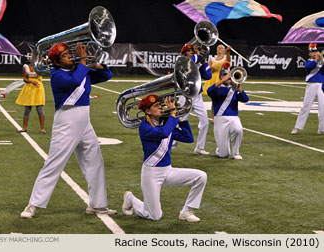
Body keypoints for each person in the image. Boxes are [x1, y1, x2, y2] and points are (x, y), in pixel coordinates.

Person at [20, 42, 116, 218]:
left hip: (85, 120)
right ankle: (33, 204)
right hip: (67, 120)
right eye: (65, 55)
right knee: (54, 163)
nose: (70, 56)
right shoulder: (56, 74)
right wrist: (83, 62)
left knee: (95, 162)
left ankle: (97, 205)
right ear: (57, 62)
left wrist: (96, 64)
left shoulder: (80, 69)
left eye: (69, 53)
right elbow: (74, 81)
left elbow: (106, 75)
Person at [121, 94, 207, 222]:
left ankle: (186, 211)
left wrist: (181, 120)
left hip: (168, 171)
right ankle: (131, 199)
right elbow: (163, 133)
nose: (161, 107)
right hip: (151, 174)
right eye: (156, 106)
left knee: (201, 176)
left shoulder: (166, 124)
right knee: (154, 216)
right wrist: (172, 114)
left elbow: (188, 138)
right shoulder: (144, 127)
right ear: (148, 111)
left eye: (160, 104)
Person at [207, 62, 249, 160]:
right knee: (224, 155)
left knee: (238, 130)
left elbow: (245, 99)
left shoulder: (234, 89)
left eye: (229, 75)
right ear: (221, 76)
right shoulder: (217, 89)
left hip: (233, 116)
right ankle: (220, 149)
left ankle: (236, 152)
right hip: (220, 118)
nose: (229, 77)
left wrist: (239, 89)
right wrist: (222, 81)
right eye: (226, 75)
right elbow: (209, 91)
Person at [178, 44, 212, 155]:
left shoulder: (196, 62)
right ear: (184, 53)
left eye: (193, 50)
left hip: (197, 95)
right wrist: (197, 55)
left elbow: (208, 76)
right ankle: (171, 143)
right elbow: (191, 62)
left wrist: (204, 62)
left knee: (205, 122)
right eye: (190, 50)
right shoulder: (182, 61)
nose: (193, 52)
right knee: (178, 121)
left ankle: (200, 147)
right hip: (184, 95)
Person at [291, 43, 324, 135]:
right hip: (311, 85)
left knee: (323, 107)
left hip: (322, 85)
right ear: (309, 54)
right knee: (306, 106)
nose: (315, 53)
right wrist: (317, 59)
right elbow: (309, 67)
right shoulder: (308, 61)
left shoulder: (322, 61)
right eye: (312, 52)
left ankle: (322, 128)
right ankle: (297, 127)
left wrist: (321, 60)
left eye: (316, 51)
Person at [15, 53, 46, 133]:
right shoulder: (26, 67)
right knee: (27, 109)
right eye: (31, 57)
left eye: (33, 56)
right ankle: (24, 128)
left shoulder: (40, 66)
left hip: (38, 88)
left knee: (39, 109)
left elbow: (44, 68)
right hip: (29, 87)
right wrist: (31, 82)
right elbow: (24, 79)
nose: (31, 58)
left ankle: (42, 129)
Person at [202, 44, 231, 123]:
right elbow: (207, 68)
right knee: (214, 99)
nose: (220, 49)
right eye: (218, 48)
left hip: (222, 79)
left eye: (222, 48)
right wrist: (212, 67)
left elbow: (228, 61)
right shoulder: (212, 58)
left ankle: (224, 115)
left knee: (224, 98)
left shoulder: (225, 57)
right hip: (213, 79)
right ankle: (214, 117)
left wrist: (228, 51)